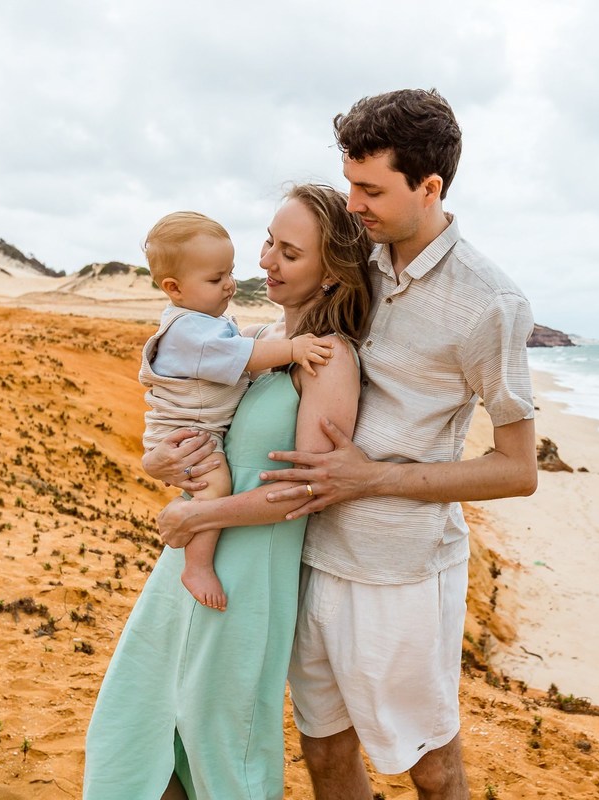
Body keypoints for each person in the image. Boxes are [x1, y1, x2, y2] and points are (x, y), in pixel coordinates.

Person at [159, 88, 538, 799]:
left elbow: (518, 471)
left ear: (429, 188)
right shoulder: (358, 258)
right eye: (349, 185)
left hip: (398, 571)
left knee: (428, 767)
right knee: (325, 754)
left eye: (370, 188)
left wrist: (373, 479)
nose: (355, 204)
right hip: (306, 554)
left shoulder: (491, 302)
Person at [83, 184, 373, 800]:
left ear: (331, 272)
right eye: (269, 241)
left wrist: (198, 515)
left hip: (242, 579)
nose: (265, 260)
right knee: (139, 730)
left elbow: (303, 493)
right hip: (192, 558)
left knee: (220, 748)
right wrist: (159, 461)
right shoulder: (253, 339)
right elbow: (198, 425)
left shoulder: (330, 361)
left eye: (289, 253)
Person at [139, 210, 334, 611]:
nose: (231, 284)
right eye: (216, 279)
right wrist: (295, 349)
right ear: (174, 288)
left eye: (290, 253)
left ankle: (195, 537)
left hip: (249, 539)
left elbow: (310, 484)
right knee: (214, 483)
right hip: (189, 434)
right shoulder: (200, 331)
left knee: (208, 488)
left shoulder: (213, 325)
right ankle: (197, 565)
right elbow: (244, 355)